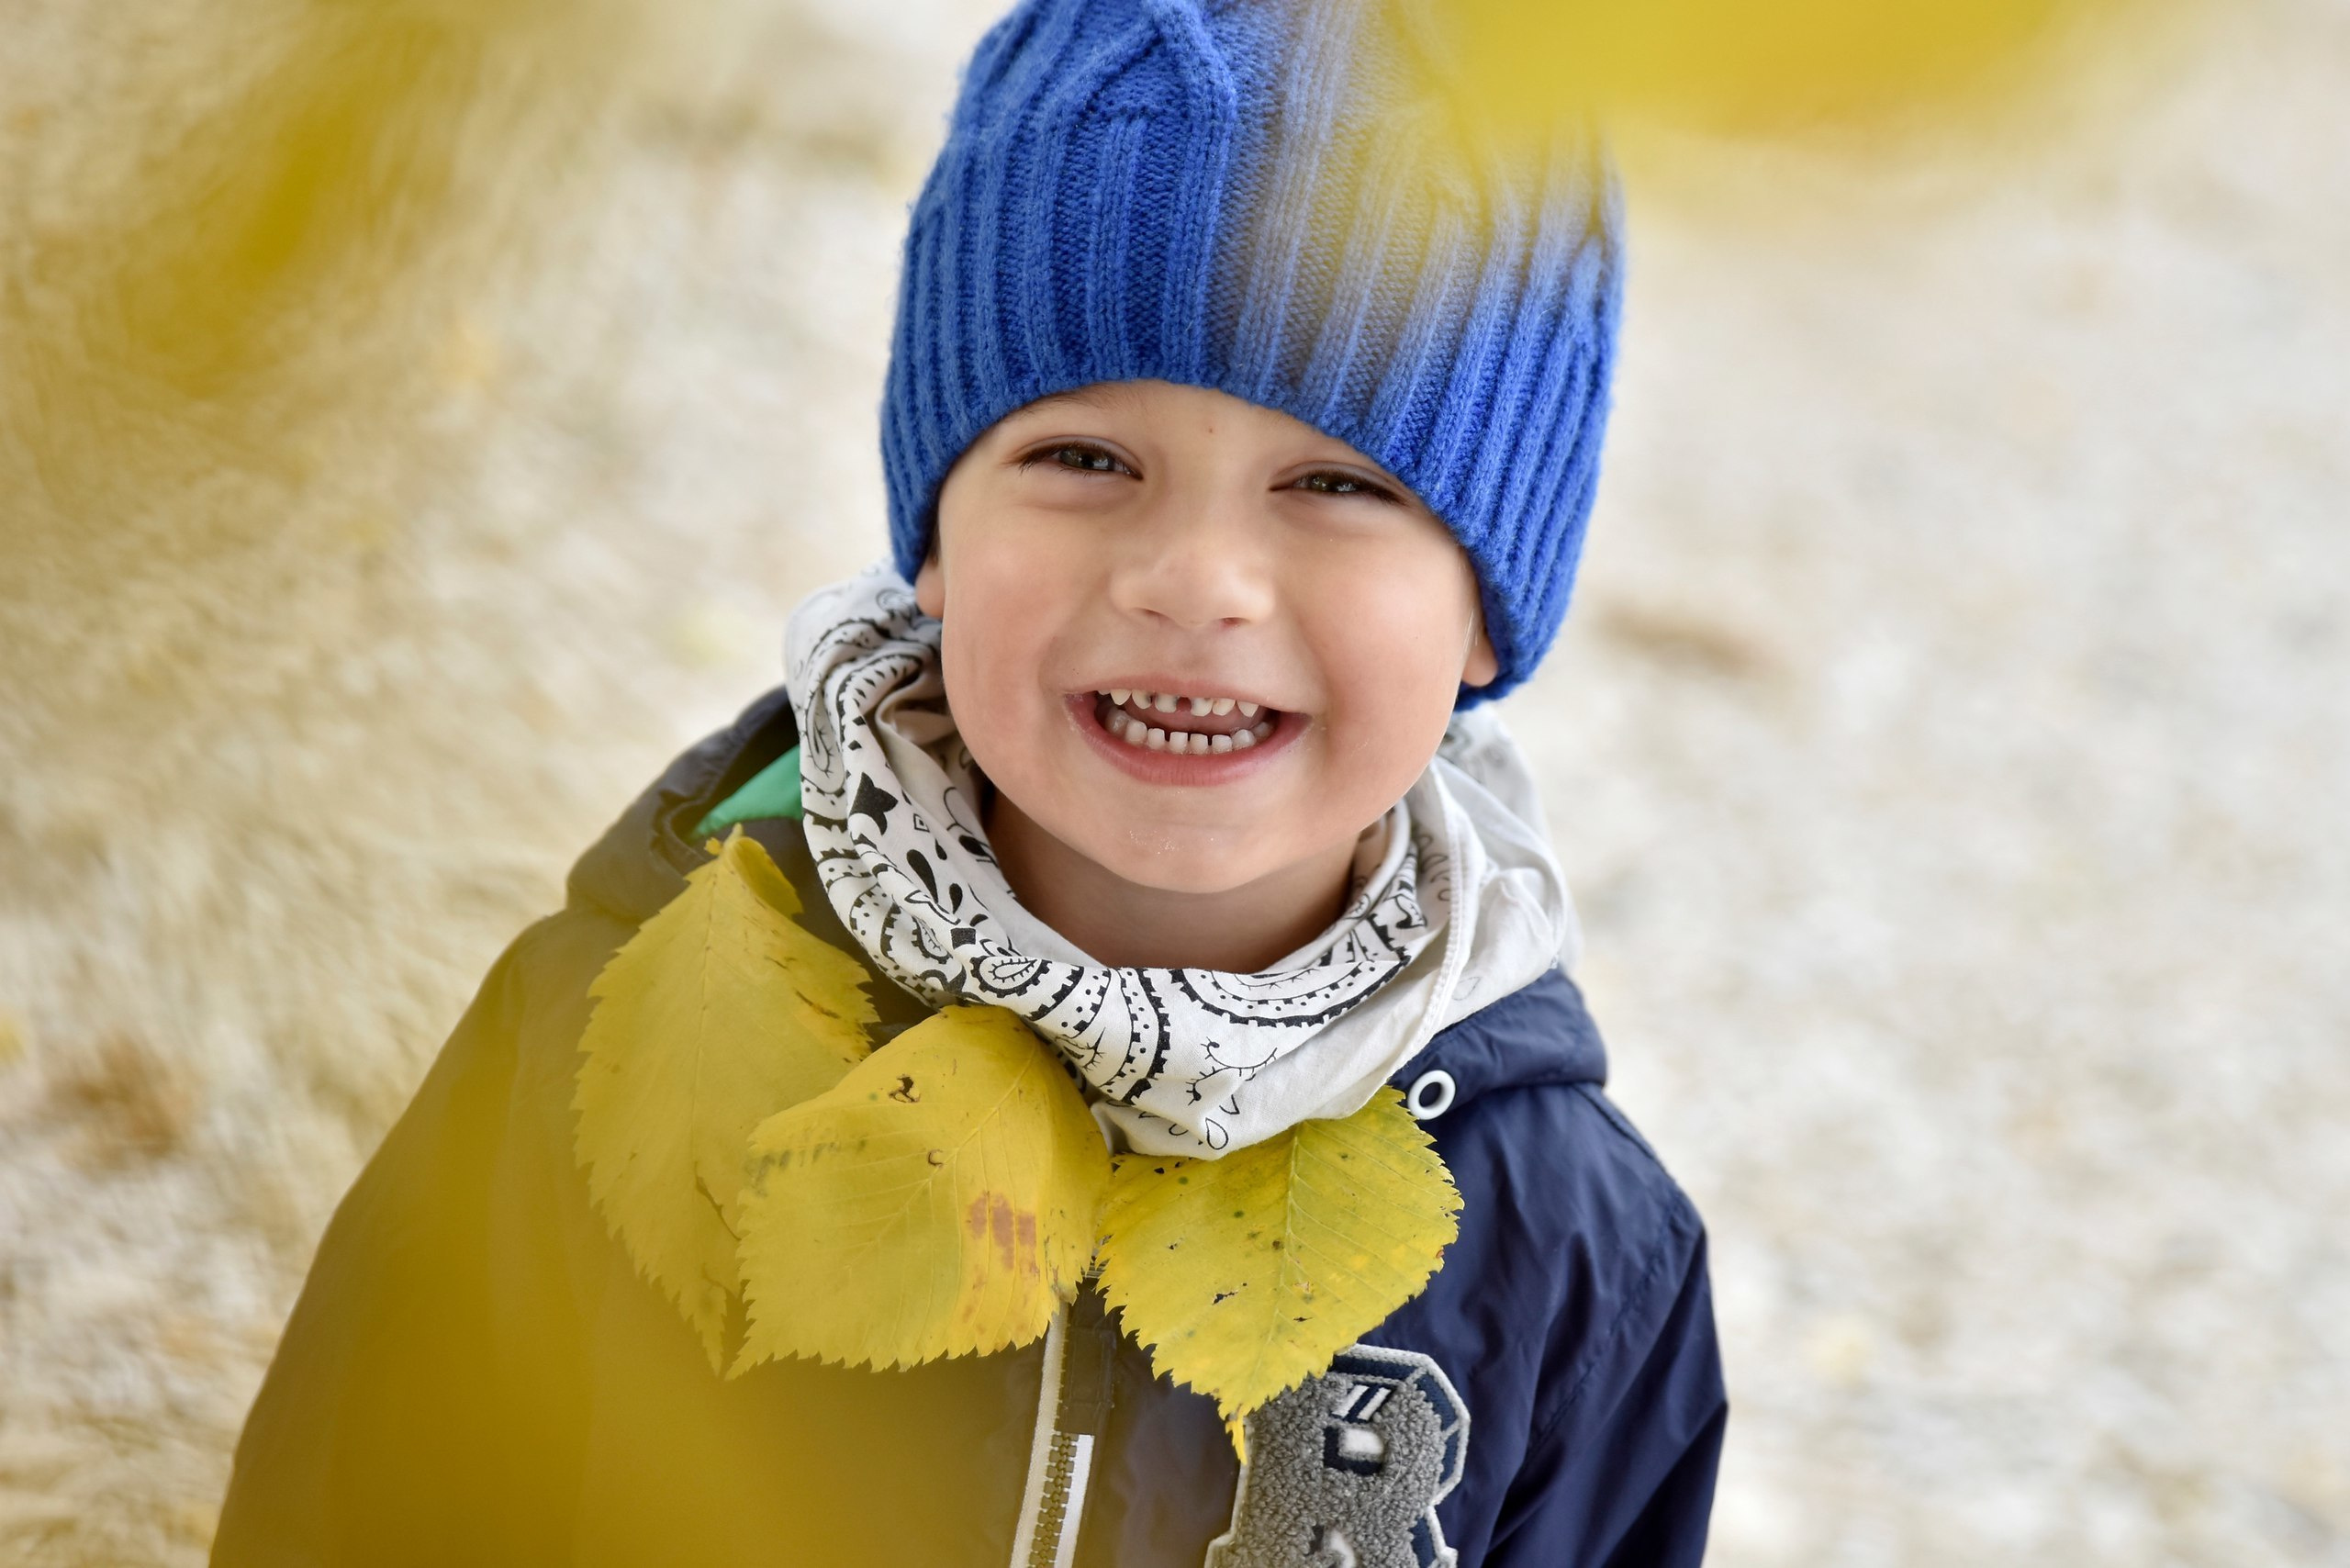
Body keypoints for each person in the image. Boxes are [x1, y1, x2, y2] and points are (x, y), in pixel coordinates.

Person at [212, 0, 1726, 1562]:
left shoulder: (1580, 1259)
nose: (1193, 581)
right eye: (1086, 459)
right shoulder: (615, 1056)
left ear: (1487, 609)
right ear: (936, 535)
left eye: (1337, 483)